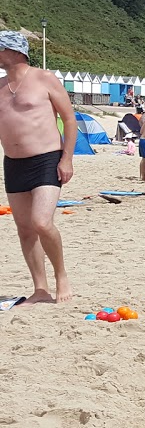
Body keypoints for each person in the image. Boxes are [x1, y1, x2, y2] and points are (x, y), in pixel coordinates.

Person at [0, 31, 76, 308]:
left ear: (16, 52)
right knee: (24, 229)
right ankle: (40, 289)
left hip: (46, 159)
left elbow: (69, 120)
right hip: (13, 163)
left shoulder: (44, 78)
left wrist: (66, 158)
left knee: (42, 222)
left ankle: (61, 276)